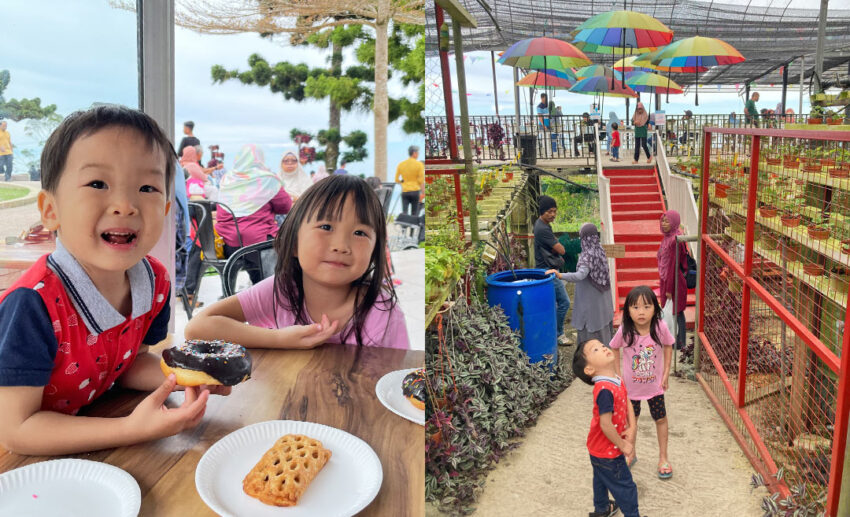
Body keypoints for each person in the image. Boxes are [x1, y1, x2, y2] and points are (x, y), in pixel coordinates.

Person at [0, 105, 229, 455]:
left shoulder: (154, 283)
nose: (125, 205)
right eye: (97, 183)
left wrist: (189, 375)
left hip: (97, 433)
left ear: (167, 210)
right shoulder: (32, 305)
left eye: (148, 187)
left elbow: (128, 365)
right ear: (50, 210)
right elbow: (16, 431)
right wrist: (130, 428)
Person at [184, 175, 409, 347]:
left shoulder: (382, 312)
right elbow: (197, 327)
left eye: (360, 233)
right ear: (293, 243)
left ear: (375, 250)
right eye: (326, 227)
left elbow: (397, 384)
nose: (341, 245)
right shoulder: (279, 291)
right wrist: (279, 339)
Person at [609, 285, 676, 481]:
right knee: (631, 422)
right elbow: (614, 348)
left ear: (655, 308)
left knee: (661, 420)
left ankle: (663, 458)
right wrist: (618, 376)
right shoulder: (625, 330)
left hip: (655, 388)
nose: (641, 312)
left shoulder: (659, 327)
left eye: (647, 307)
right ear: (628, 310)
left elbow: (668, 345)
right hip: (631, 391)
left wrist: (666, 374)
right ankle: (630, 454)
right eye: (635, 307)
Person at [572, 339, 640, 517]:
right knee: (626, 486)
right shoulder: (604, 389)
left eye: (602, 345)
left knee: (601, 478)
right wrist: (623, 445)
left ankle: (602, 509)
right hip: (608, 451)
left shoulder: (615, 378)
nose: (603, 348)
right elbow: (605, 424)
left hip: (598, 449)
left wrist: (632, 427)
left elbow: (627, 401)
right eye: (596, 350)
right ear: (589, 370)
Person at [215, 144, 292, 285]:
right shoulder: (267, 179)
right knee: (284, 248)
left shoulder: (227, 179)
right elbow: (286, 206)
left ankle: (247, 296)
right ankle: (269, 295)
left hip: (227, 244)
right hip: (259, 243)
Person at [546, 223, 614, 346]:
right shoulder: (599, 250)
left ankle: (590, 356)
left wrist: (560, 275)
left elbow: (580, 275)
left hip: (589, 299)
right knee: (601, 328)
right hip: (601, 298)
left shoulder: (587, 255)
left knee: (590, 329)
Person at [533, 195, 570, 346]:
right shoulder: (543, 229)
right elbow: (561, 250)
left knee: (554, 302)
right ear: (542, 211)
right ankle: (559, 334)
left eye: (555, 211)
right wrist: (558, 245)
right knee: (564, 302)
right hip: (547, 271)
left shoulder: (541, 224)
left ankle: (552, 331)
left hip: (545, 269)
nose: (553, 214)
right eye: (549, 211)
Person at [657, 210, 688, 351]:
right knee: (674, 311)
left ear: (674, 222)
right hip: (667, 279)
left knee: (677, 311)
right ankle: (676, 340)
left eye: (667, 221)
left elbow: (673, 266)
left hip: (675, 281)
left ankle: (680, 342)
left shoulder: (675, 240)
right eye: (662, 220)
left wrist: (669, 289)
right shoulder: (667, 238)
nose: (663, 224)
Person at [395, 145, 424, 216]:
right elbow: (421, 181)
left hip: (405, 191)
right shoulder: (419, 164)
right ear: (414, 153)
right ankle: (413, 227)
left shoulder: (401, 164)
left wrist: (402, 182)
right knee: (414, 212)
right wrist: (423, 192)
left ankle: (404, 226)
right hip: (415, 191)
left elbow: (396, 179)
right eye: (417, 153)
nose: (418, 154)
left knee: (405, 211)